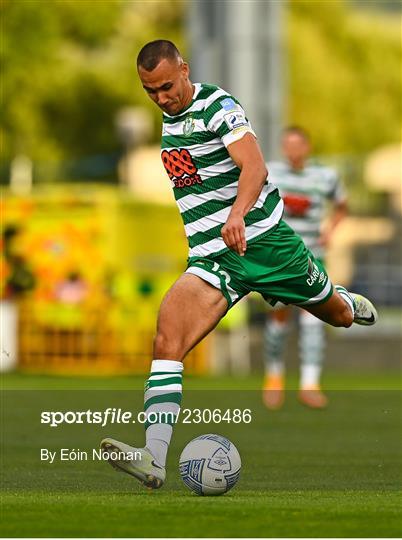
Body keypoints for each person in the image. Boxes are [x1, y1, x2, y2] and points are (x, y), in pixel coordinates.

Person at [101, 40, 377, 490]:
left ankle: (342, 299)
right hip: (214, 257)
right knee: (167, 337)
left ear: (184, 70)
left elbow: (254, 167)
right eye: (150, 91)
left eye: (167, 87)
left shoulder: (218, 106)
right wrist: (218, 228)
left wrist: (236, 216)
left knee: (338, 317)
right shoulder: (171, 118)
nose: (161, 98)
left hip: (265, 245)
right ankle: (153, 457)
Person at [263, 127, 347, 410]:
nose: (292, 150)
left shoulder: (325, 176)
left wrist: (330, 230)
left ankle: (310, 384)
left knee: (314, 319)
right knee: (278, 319)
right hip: (281, 258)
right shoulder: (271, 172)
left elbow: (342, 205)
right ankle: (273, 377)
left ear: (307, 147)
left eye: (297, 144)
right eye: (287, 144)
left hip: (313, 256)